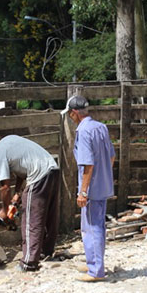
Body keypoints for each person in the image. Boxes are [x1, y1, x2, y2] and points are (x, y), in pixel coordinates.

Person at [0, 134, 60, 272]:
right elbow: (21, 172)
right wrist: (17, 194)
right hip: (52, 169)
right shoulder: (9, 140)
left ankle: (29, 263)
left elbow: (4, 187)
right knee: (49, 215)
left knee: (31, 220)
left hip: (38, 175)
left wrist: (5, 210)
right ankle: (46, 252)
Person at [62, 94, 115, 282]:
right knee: (94, 225)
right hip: (103, 184)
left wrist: (83, 191)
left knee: (92, 227)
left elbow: (87, 164)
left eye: (70, 114)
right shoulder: (101, 127)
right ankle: (93, 262)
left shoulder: (83, 131)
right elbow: (111, 156)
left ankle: (96, 271)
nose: (70, 117)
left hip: (92, 188)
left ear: (75, 112)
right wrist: (105, 177)